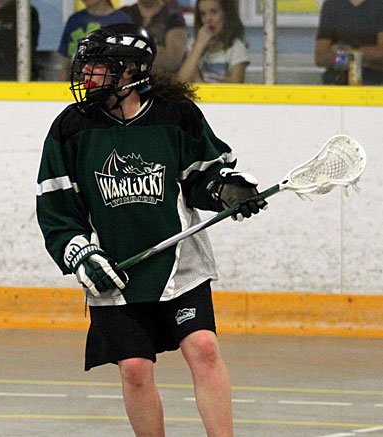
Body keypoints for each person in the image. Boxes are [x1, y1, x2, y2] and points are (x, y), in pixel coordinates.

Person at [35, 23, 266, 436]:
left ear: (130, 73)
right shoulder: (70, 128)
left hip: (180, 266)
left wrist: (225, 188)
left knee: (204, 348)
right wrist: (80, 254)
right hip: (114, 269)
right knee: (136, 369)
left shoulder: (175, 115)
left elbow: (202, 176)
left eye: (99, 67)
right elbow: (56, 208)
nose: (87, 76)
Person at [57, 0, 133, 81]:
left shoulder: (122, 21)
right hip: (76, 84)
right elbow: (65, 65)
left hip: (110, 86)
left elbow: (128, 64)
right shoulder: (74, 20)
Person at [177, 0, 248, 83]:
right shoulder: (194, 45)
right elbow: (181, 82)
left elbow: (236, 90)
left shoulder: (237, 48)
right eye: (203, 14)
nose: (208, 19)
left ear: (226, 14)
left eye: (214, 12)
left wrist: (199, 81)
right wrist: (198, 46)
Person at [314, 0, 383, 85]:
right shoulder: (331, 5)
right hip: (336, 84)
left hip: (375, 85)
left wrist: (343, 52)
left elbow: (381, 54)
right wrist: (364, 59)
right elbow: (321, 58)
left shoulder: (379, 5)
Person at [120, 0, 188, 74]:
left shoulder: (174, 18)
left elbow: (172, 61)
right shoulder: (123, 14)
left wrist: (130, 50)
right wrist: (157, 50)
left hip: (159, 81)